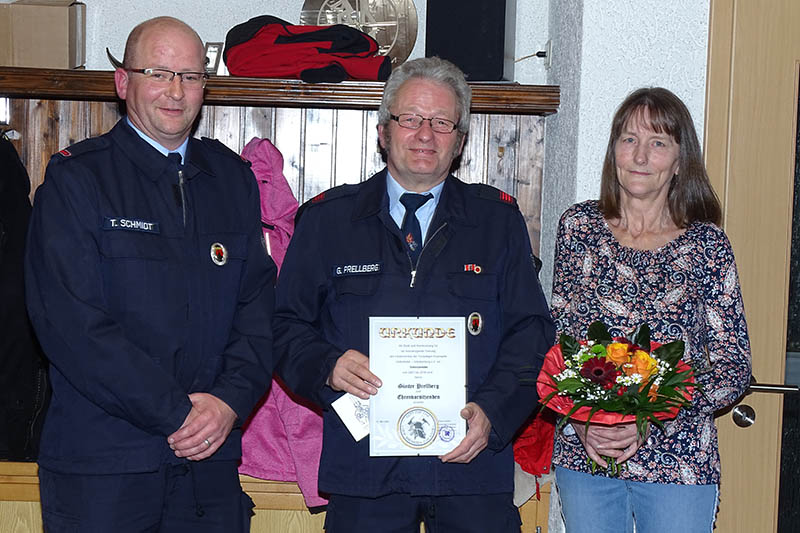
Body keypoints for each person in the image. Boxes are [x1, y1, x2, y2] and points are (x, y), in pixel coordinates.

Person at [273, 56, 555, 532]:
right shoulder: (328, 221)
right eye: (410, 119)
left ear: (460, 141)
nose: (425, 134)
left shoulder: (497, 223)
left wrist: (493, 412)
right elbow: (282, 328)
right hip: (366, 474)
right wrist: (328, 366)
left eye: (442, 122)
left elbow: (532, 334)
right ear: (384, 131)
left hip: (471, 469)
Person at [24, 16, 275, 532]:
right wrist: (176, 414)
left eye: (191, 75)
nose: (177, 92)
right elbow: (73, 327)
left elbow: (259, 312)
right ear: (123, 82)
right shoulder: (78, 180)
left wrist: (228, 402)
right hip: (106, 466)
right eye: (159, 73)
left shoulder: (232, 181)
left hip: (210, 463)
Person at [549, 87, 752, 533]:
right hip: (588, 456)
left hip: (680, 460)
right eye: (628, 139)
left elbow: (733, 366)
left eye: (658, 143)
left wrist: (652, 417)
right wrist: (580, 421)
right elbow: (556, 343)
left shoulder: (707, 247)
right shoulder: (579, 229)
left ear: (680, 161)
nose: (640, 156)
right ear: (613, 152)